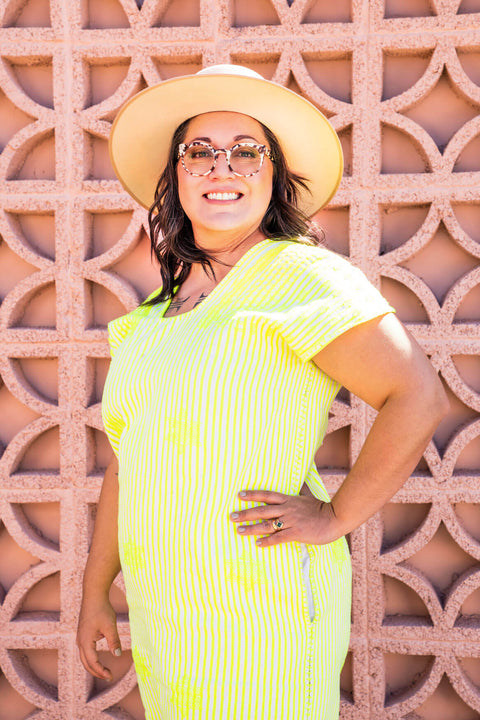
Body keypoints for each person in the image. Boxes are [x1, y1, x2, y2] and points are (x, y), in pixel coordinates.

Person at [76, 65, 449, 719]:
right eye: (200, 152)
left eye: (247, 152)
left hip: (261, 607)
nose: (224, 167)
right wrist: (94, 588)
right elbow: (125, 462)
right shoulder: (148, 320)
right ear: (176, 177)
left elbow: (417, 396)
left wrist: (335, 518)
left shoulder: (298, 275)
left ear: (273, 176)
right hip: (168, 614)